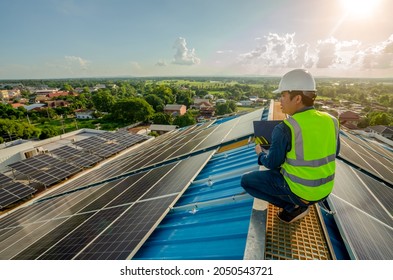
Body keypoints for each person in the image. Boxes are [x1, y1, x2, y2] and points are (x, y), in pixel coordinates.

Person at [241, 69, 340, 223]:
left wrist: (260, 154)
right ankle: (299, 203)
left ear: (298, 98)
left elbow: (272, 163)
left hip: (301, 193)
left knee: (247, 181)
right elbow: (335, 152)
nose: (280, 100)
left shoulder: (286, 128)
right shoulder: (331, 120)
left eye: (283, 95)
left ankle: (293, 207)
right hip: (324, 191)